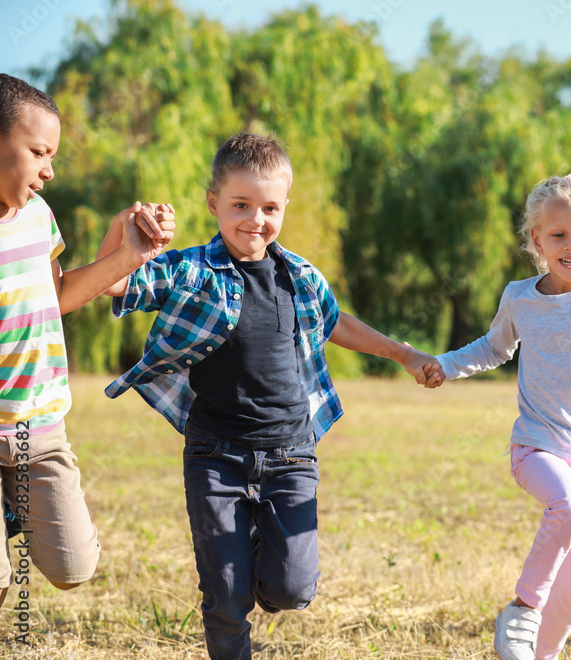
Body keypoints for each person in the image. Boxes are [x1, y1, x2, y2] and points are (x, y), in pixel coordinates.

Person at [100, 132, 438, 660]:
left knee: (292, 589)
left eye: (270, 207)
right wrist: (125, 231)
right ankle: (233, 594)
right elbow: (115, 283)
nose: (255, 220)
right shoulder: (190, 269)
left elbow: (337, 324)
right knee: (226, 597)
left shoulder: (300, 275)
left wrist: (402, 353)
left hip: (291, 454)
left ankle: (257, 558)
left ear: (284, 207)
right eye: (240, 205)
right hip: (215, 455)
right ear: (213, 202)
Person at [419, 173, 571, 660]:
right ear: (536, 239)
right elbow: (493, 347)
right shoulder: (520, 297)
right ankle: (523, 608)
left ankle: (537, 653)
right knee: (566, 506)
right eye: (558, 235)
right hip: (537, 445)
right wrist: (444, 365)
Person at [0, 73, 173, 611]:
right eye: (38, 152)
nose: (49, 170)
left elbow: (60, 294)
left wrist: (131, 253)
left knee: (75, 567)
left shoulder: (37, 218)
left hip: (38, 429)